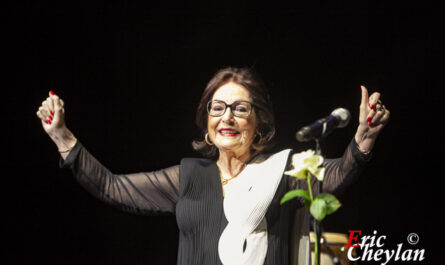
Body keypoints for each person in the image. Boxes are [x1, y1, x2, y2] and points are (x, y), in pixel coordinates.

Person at [36, 67, 390, 265]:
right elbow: (112, 186)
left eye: (240, 108)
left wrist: (363, 139)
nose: (227, 117)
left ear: (260, 122)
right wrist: (62, 136)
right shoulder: (188, 176)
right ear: (206, 120)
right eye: (217, 108)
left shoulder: (283, 171)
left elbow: (335, 176)